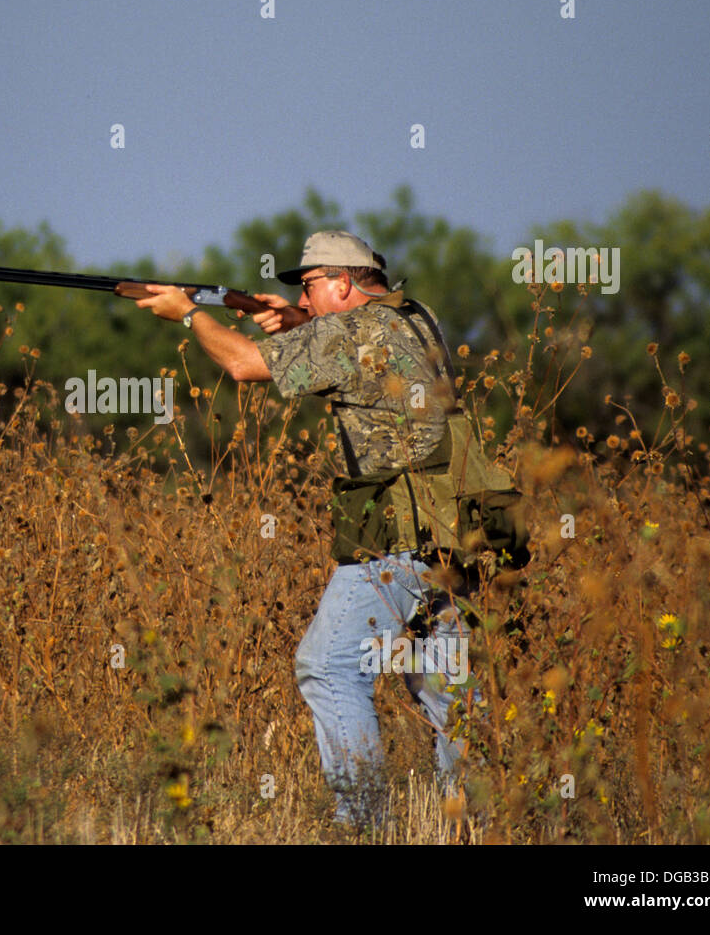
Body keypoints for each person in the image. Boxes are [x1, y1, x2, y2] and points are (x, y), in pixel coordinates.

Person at [134, 230, 473, 826]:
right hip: (452, 538)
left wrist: (188, 314)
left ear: (343, 282)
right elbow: (359, 357)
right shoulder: (417, 318)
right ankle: (480, 828)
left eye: (312, 286)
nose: (308, 298)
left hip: (393, 539)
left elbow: (241, 365)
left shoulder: (350, 332)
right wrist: (296, 319)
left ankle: (365, 826)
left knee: (329, 666)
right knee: (446, 694)